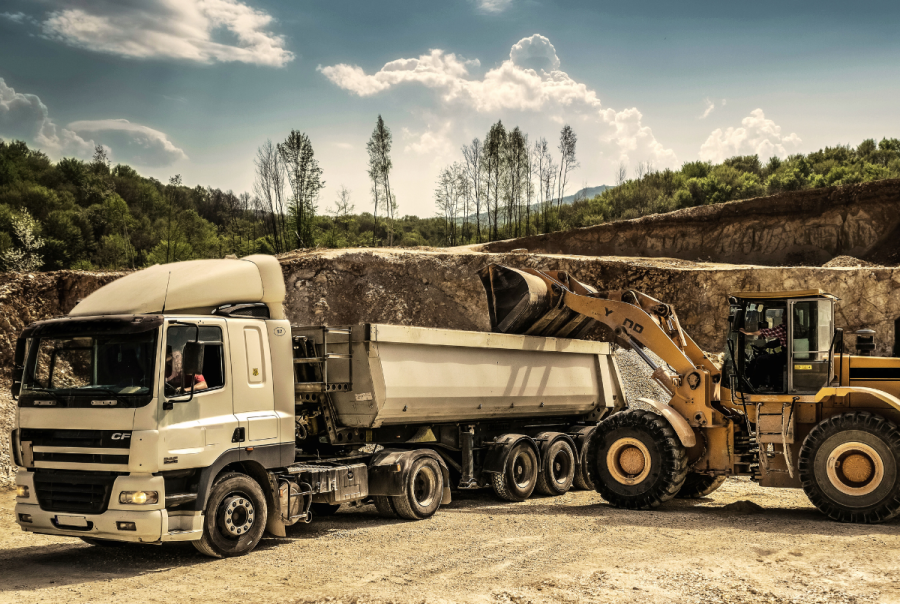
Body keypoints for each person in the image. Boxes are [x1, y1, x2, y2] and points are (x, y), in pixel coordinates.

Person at [740, 322, 787, 391]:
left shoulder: (784, 328)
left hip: (785, 356)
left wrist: (747, 333)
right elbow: (779, 341)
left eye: (784, 314)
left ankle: (754, 386)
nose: (782, 316)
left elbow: (766, 332)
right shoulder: (795, 328)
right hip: (789, 355)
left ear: (787, 316)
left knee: (760, 359)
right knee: (765, 358)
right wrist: (766, 345)